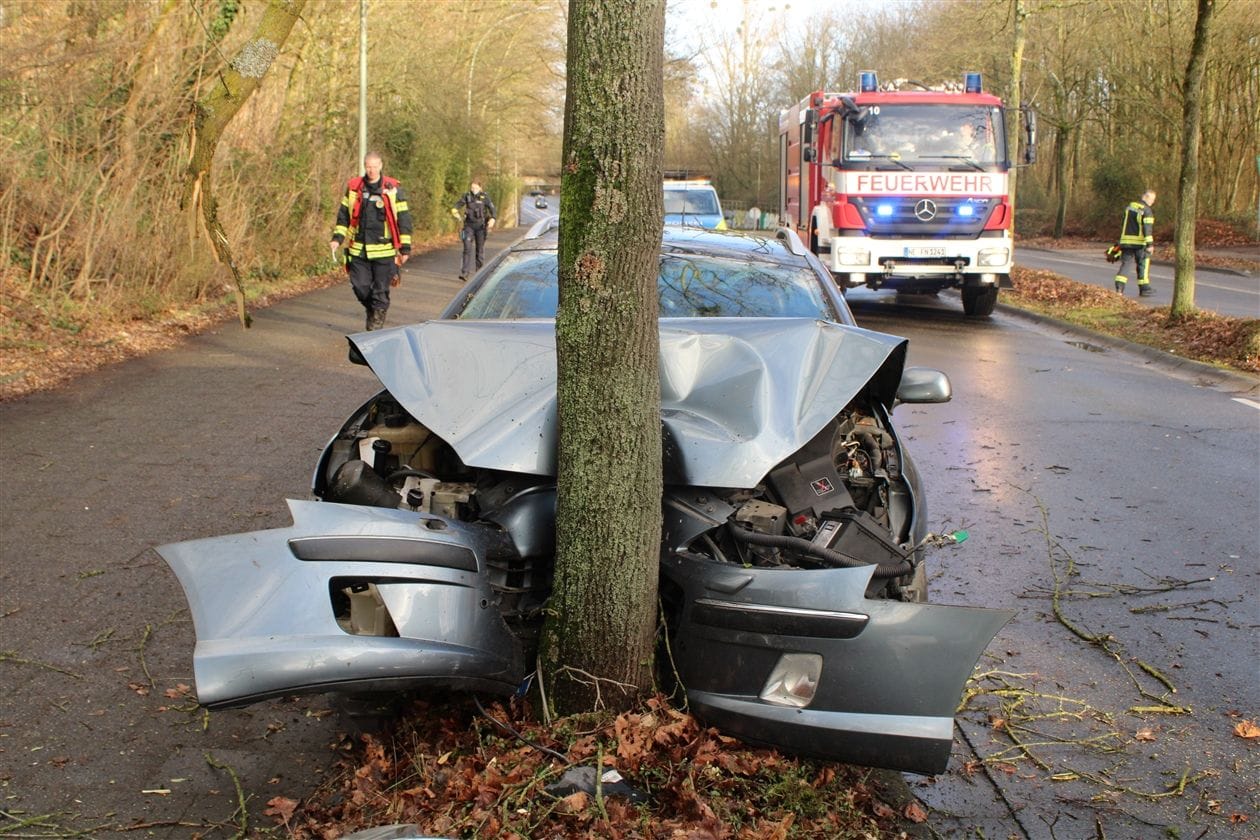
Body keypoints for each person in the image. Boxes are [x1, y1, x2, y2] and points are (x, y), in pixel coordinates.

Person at [329, 151, 413, 330]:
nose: (372, 170)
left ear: (381, 166)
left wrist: (405, 248)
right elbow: (344, 215)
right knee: (360, 288)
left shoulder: (393, 188)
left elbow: (404, 219)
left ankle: (375, 326)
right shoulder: (354, 188)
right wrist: (337, 238)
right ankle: (375, 310)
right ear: (364, 166)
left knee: (380, 290)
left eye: (375, 166)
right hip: (359, 249)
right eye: (368, 167)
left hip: (385, 250)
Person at [1113, 190, 1156, 296]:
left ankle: (1119, 288)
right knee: (1143, 264)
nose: (1153, 202)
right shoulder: (1146, 210)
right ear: (1147, 198)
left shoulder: (1128, 208)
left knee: (1126, 264)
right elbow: (1147, 229)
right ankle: (1144, 288)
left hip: (1126, 242)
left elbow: (1123, 224)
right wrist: (1150, 245)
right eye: (1152, 199)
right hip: (1140, 243)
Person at [451, 180, 497, 281]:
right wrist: (456, 214)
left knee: (479, 250)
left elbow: (493, 209)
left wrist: (493, 219)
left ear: (480, 188)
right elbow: (456, 207)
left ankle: (479, 274)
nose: (473, 190)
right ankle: (464, 273)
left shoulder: (485, 197)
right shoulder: (467, 196)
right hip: (468, 226)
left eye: (475, 188)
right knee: (467, 248)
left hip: (481, 227)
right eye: (472, 188)